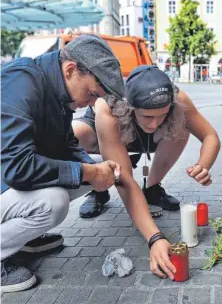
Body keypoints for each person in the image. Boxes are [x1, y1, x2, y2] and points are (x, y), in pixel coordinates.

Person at [1, 35, 174, 292]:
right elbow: (17, 167)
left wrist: (95, 171)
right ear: (71, 70)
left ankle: (23, 239)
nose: (93, 103)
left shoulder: (57, 89)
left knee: (100, 166)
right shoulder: (19, 83)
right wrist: (86, 172)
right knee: (54, 203)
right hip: (7, 176)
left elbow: (67, 145)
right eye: (92, 94)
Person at [72, 65, 221, 221]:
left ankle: (152, 188)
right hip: (108, 131)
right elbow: (124, 179)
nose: (154, 124)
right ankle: (98, 189)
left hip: (149, 139)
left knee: (182, 125)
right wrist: (153, 234)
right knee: (76, 134)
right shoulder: (109, 104)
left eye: (162, 114)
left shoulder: (178, 98)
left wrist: (203, 166)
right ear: (130, 107)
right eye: (148, 117)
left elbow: (210, 136)